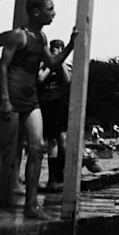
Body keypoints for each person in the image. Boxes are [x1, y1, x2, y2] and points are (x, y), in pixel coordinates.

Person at [0, 0, 76, 219]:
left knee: (37, 147)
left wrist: (70, 45)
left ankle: (31, 206)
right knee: (1, 149)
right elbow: (0, 64)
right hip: (11, 97)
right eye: (50, 9)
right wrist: (4, 99)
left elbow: (51, 63)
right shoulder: (17, 36)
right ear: (36, 12)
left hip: (31, 99)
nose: (54, 13)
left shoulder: (41, 37)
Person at [37, 38, 71, 191]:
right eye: (55, 48)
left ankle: (60, 174)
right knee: (49, 141)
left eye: (60, 48)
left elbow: (67, 79)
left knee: (60, 139)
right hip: (45, 103)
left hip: (59, 104)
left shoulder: (63, 65)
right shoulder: (43, 63)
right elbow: (40, 78)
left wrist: (60, 60)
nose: (57, 50)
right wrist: (51, 63)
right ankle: (51, 177)